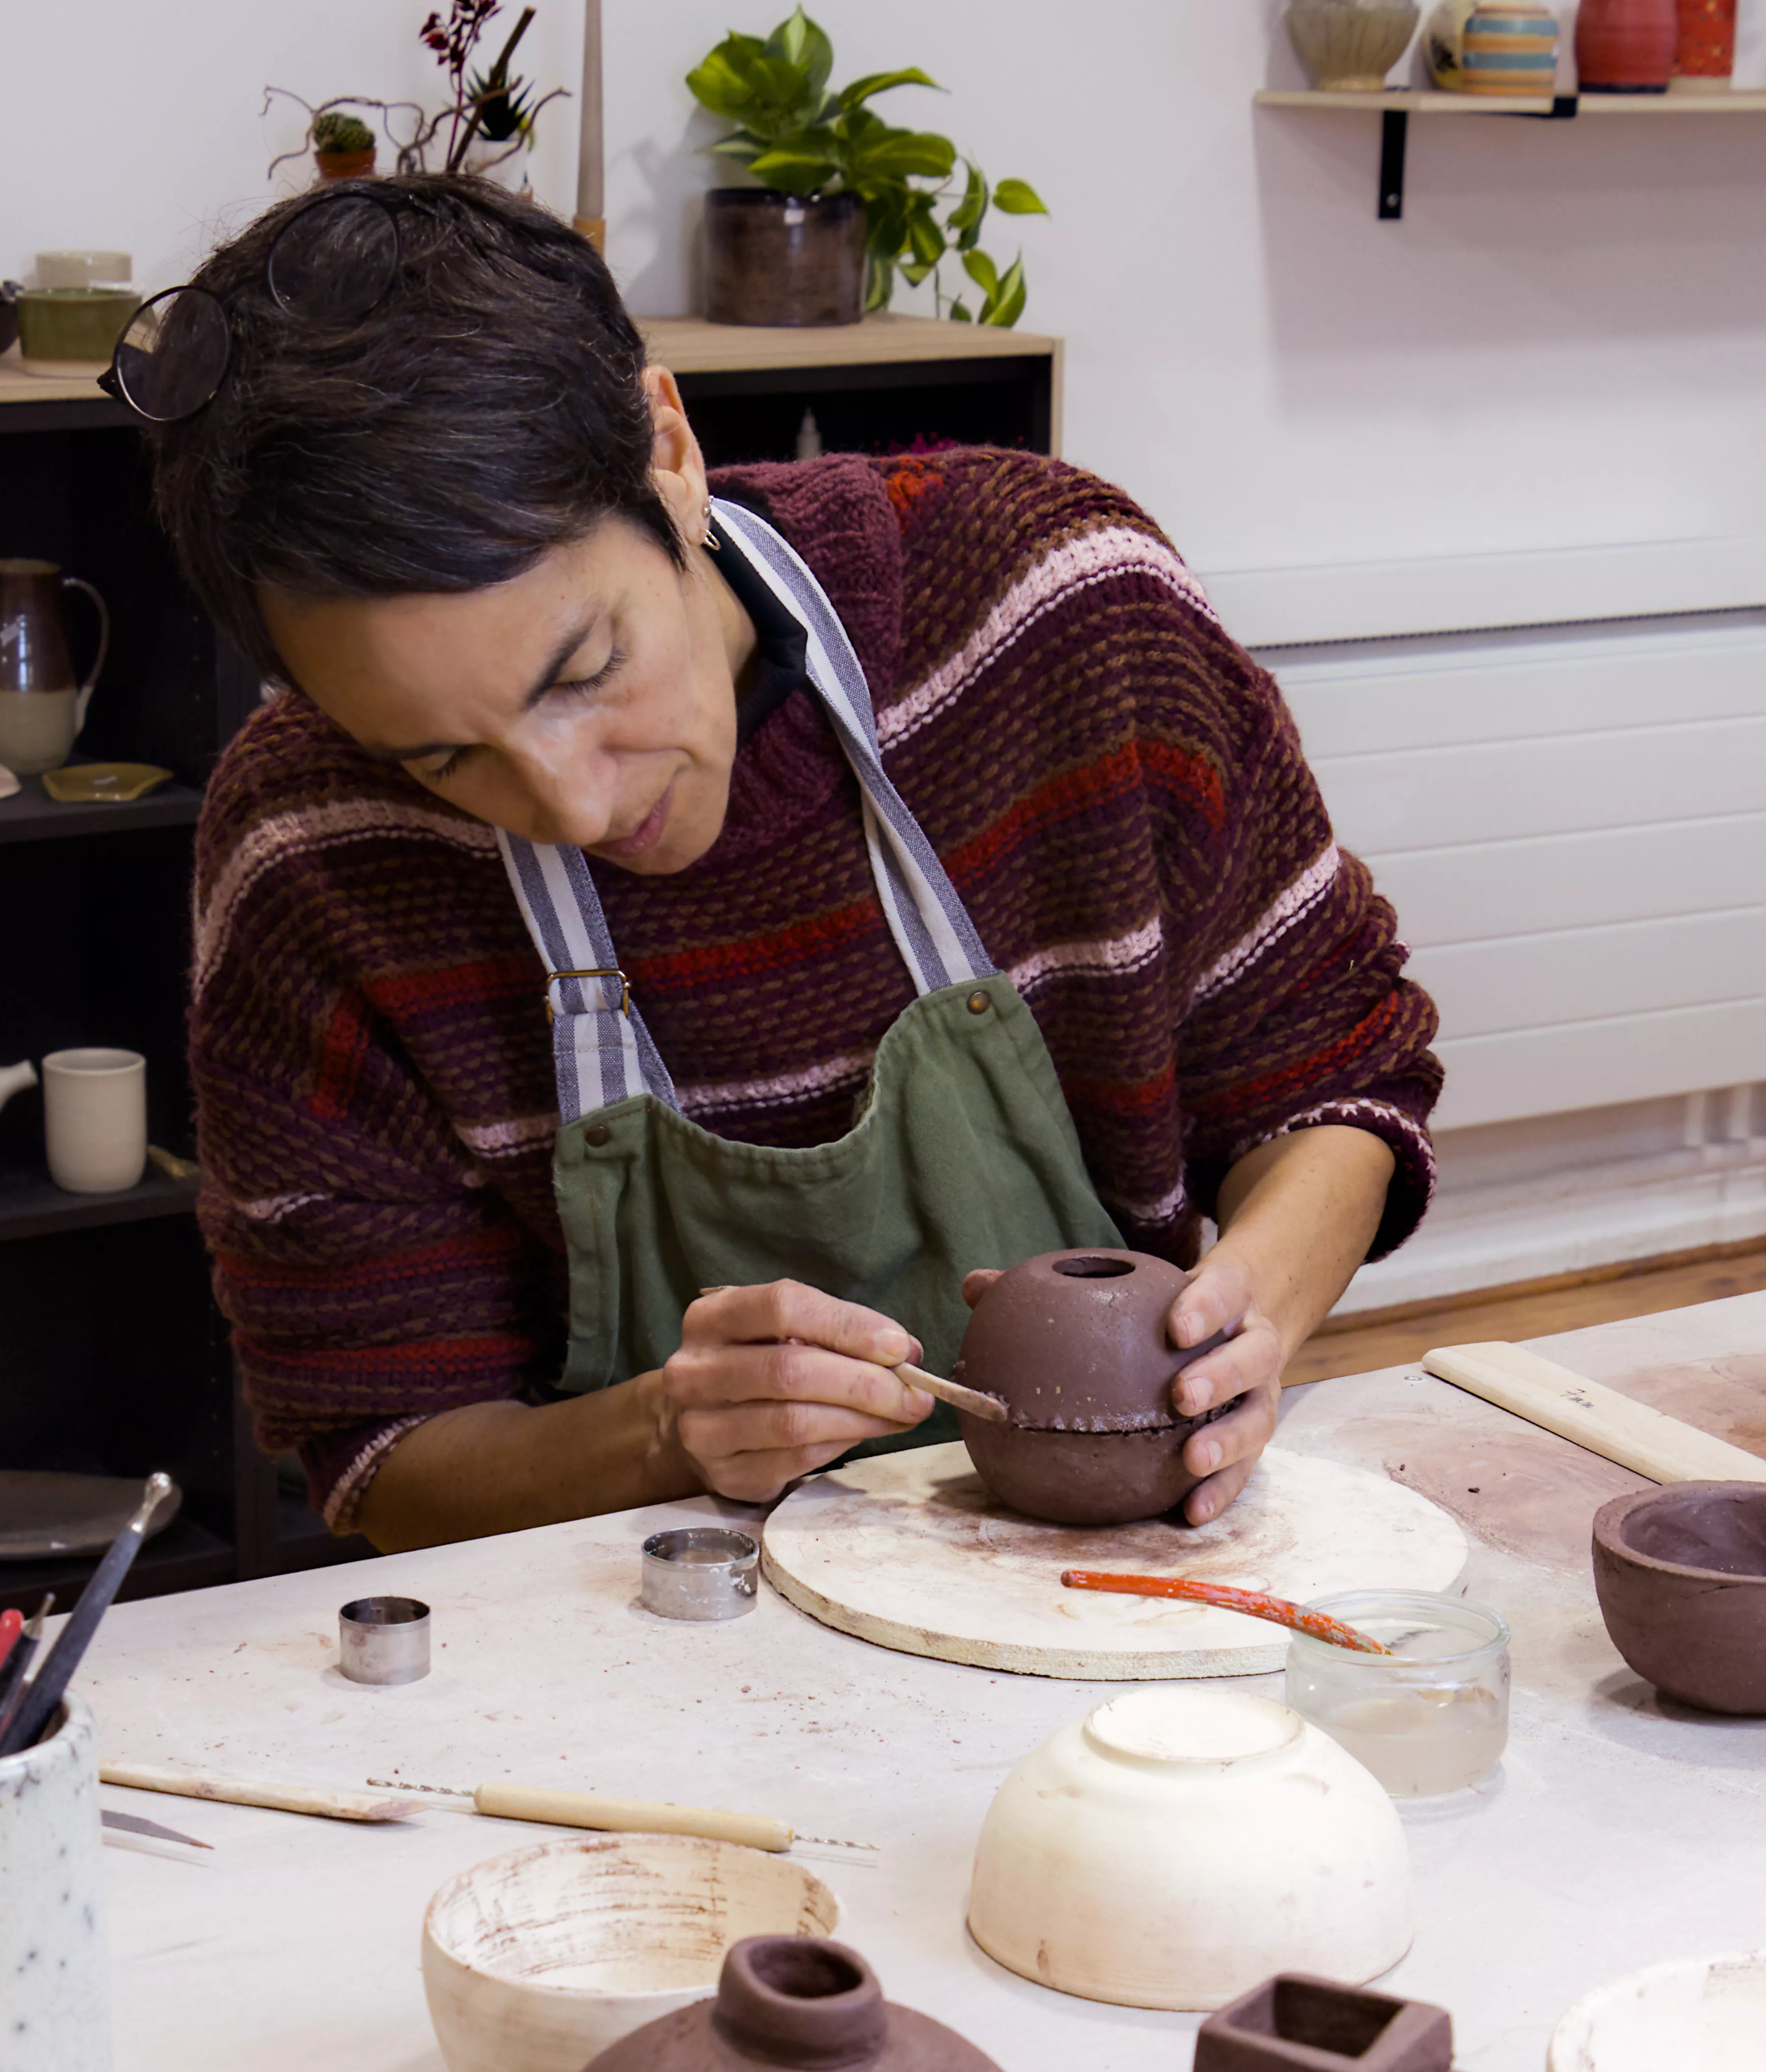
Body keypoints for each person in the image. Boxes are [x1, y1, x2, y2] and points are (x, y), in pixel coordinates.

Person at [134, 174, 1440, 1553]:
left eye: (585, 673)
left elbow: (1334, 1078)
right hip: (645, 1637)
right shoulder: (312, 852)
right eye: (441, 761)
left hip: (1124, 1569)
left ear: (668, 450)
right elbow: (383, 1455)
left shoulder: (1048, 609)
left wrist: (1255, 1312)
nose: (568, 804)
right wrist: (657, 1433)